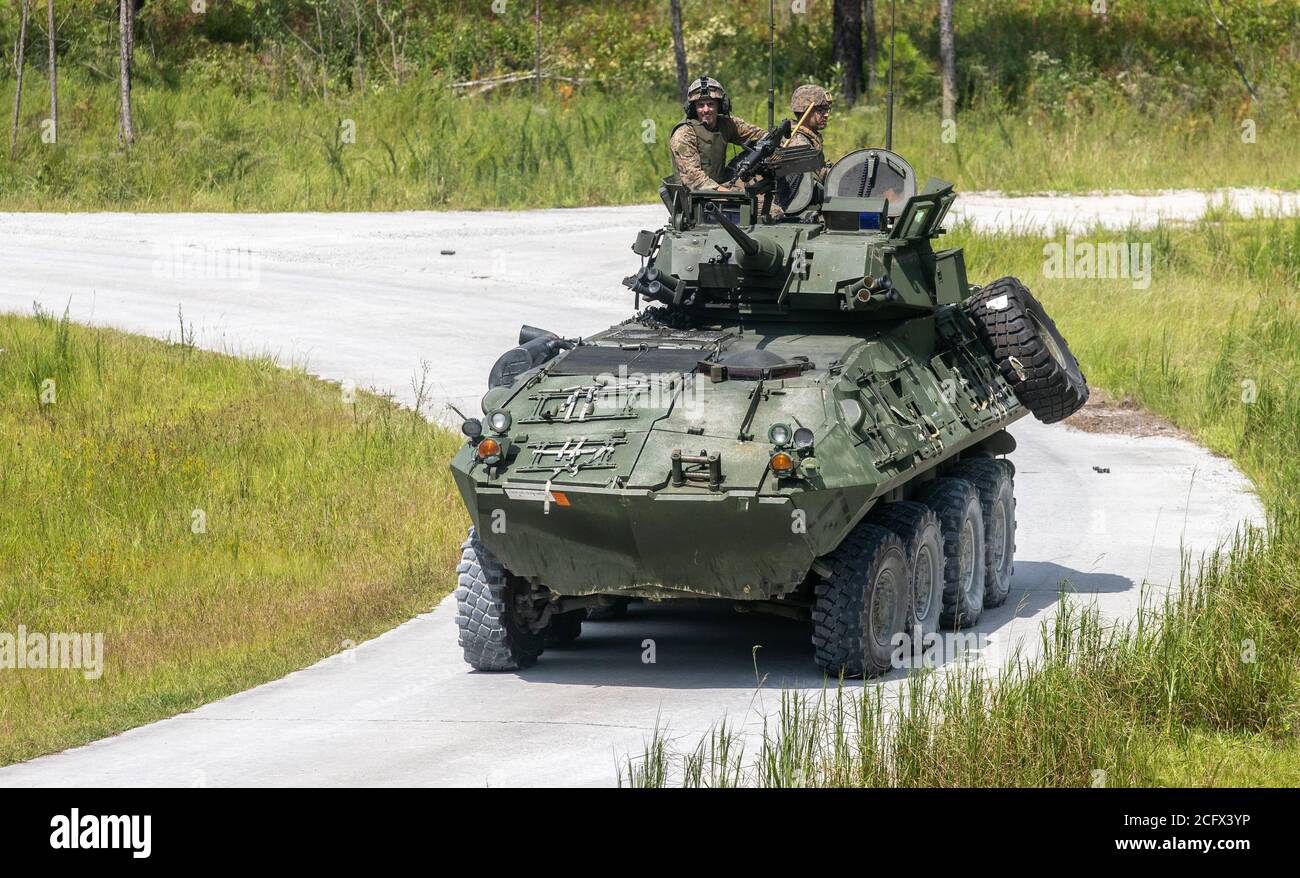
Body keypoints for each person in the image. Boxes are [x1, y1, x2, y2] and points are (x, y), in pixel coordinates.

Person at [668, 76, 766, 191]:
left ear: (720, 106)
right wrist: (729, 194)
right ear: (693, 108)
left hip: (718, 188)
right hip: (695, 195)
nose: (706, 110)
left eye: (710, 104)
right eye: (700, 105)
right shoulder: (683, 134)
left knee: (759, 153)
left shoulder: (727, 124)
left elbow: (760, 135)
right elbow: (694, 179)